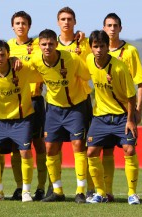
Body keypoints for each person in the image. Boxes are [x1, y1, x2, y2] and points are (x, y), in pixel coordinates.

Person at [90, 13, 142, 202]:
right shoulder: (91, 55)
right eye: (108, 25)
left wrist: (137, 112)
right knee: (103, 151)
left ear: (120, 28)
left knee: (128, 150)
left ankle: (132, 193)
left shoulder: (129, 53)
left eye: (115, 25)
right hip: (101, 114)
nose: (112, 28)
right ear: (103, 28)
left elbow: (139, 83)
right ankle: (104, 193)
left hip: (124, 112)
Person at [30, 29, 90, 203]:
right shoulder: (35, 60)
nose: (47, 47)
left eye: (50, 44)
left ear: (56, 44)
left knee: (78, 145)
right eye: (44, 44)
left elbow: (87, 75)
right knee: (50, 148)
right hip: (54, 109)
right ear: (39, 45)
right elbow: (23, 69)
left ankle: (80, 191)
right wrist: (13, 60)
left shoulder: (72, 59)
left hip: (76, 107)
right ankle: (57, 191)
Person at [0, 40, 43, 202]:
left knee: (24, 152)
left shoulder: (21, 68)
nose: (0, 58)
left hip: (21, 119)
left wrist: (19, 58)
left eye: (3, 55)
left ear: (8, 55)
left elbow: (40, 66)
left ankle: (26, 191)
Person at [54, 6, 94, 199]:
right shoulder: (50, 44)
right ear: (58, 22)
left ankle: (86, 189)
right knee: (52, 146)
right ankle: (55, 188)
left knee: (81, 144)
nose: (66, 22)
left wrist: (83, 44)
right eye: (63, 19)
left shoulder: (84, 42)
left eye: (70, 19)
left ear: (75, 22)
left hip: (80, 100)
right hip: (55, 103)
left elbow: (92, 66)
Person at [7, 11, 47, 201]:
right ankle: (19, 187)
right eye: (17, 23)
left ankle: (40, 186)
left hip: (35, 100)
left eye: (24, 23)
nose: (20, 26)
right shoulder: (7, 46)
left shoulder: (39, 44)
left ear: (29, 26)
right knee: (17, 147)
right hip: (14, 101)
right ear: (12, 26)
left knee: (38, 145)